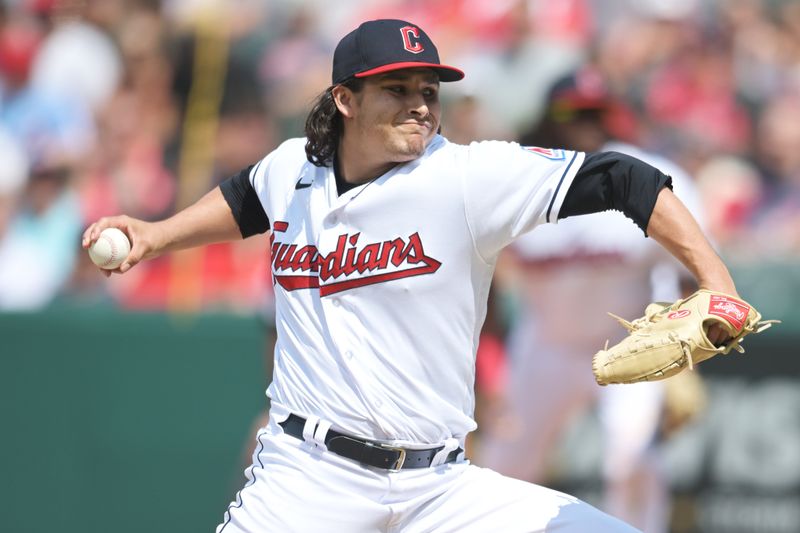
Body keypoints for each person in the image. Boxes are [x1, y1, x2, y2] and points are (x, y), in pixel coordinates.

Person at [82, 19, 738, 533]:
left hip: (440, 486)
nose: (421, 105)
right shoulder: (292, 169)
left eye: (429, 91)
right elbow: (244, 198)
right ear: (344, 98)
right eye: (398, 89)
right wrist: (156, 234)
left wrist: (717, 283)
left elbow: (629, 179)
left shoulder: (467, 177)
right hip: (309, 477)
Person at [475, 66, 706, 532]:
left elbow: (690, 275)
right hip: (545, 345)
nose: (586, 121)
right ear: (550, 116)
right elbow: (488, 285)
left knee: (631, 460)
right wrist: (488, 365)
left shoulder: (651, 178)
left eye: (596, 111)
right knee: (504, 466)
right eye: (573, 111)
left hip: (629, 345)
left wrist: (686, 357)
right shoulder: (519, 180)